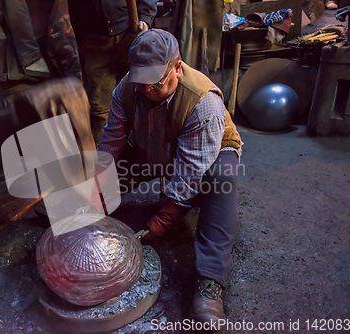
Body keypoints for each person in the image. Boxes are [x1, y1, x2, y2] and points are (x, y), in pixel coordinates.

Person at [96, 29, 243, 328]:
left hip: (206, 155)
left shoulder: (204, 104)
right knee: (103, 176)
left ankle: (210, 283)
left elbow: (190, 173)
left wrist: (164, 219)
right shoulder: (127, 90)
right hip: (156, 147)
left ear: (177, 68)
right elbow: (111, 143)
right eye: (141, 82)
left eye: (156, 83)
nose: (147, 90)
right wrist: (93, 187)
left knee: (221, 178)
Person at [67, 0, 158, 145]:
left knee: (145, 98)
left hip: (131, 36)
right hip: (95, 43)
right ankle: (106, 162)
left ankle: (146, 156)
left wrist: (145, 19)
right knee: (101, 111)